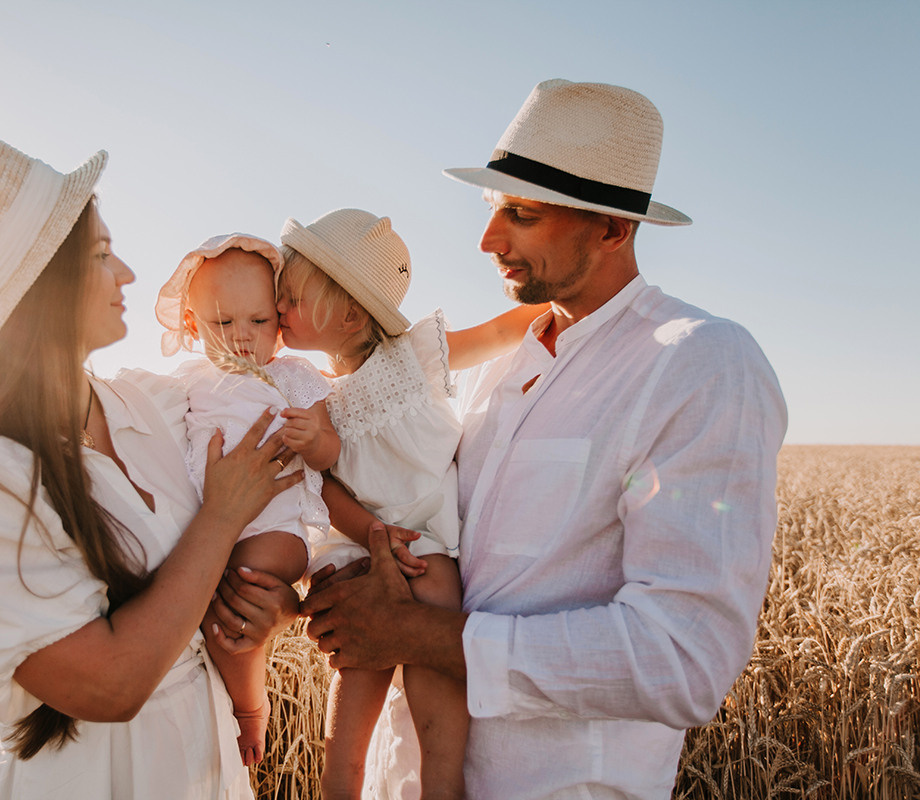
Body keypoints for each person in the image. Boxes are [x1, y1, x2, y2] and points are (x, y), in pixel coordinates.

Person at [302, 79, 789, 799]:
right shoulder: (491, 369)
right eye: (494, 210)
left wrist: (412, 635)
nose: (487, 240)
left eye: (522, 215)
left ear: (614, 228)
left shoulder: (697, 360)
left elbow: (682, 658)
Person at [0, 136, 301, 799]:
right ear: (40, 284)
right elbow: (110, 685)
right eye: (99, 254)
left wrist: (270, 607)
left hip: (206, 765)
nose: (127, 273)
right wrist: (222, 514)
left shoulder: (157, 404)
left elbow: (246, 549)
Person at [276, 208, 544, 799]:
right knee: (352, 701)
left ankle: (440, 784)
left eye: (290, 297)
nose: (277, 310)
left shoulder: (415, 355)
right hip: (360, 550)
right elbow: (327, 488)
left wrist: (556, 310)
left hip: (426, 540)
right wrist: (375, 534)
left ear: (349, 314)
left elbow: (499, 334)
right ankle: (338, 785)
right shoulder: (310, 393)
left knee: (436, 645)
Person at [153, 232, 341, 766]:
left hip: (278, 528)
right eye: (222, 323)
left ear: (279, 319)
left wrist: (316, 440)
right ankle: (230, 696)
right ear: (192, 325)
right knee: (204, 595)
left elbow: (330, 454)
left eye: (258, 322)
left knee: (242, 588)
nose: (241, 338)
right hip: (212, 523)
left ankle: (250, 707)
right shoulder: (190, 381)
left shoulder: (294, 377)